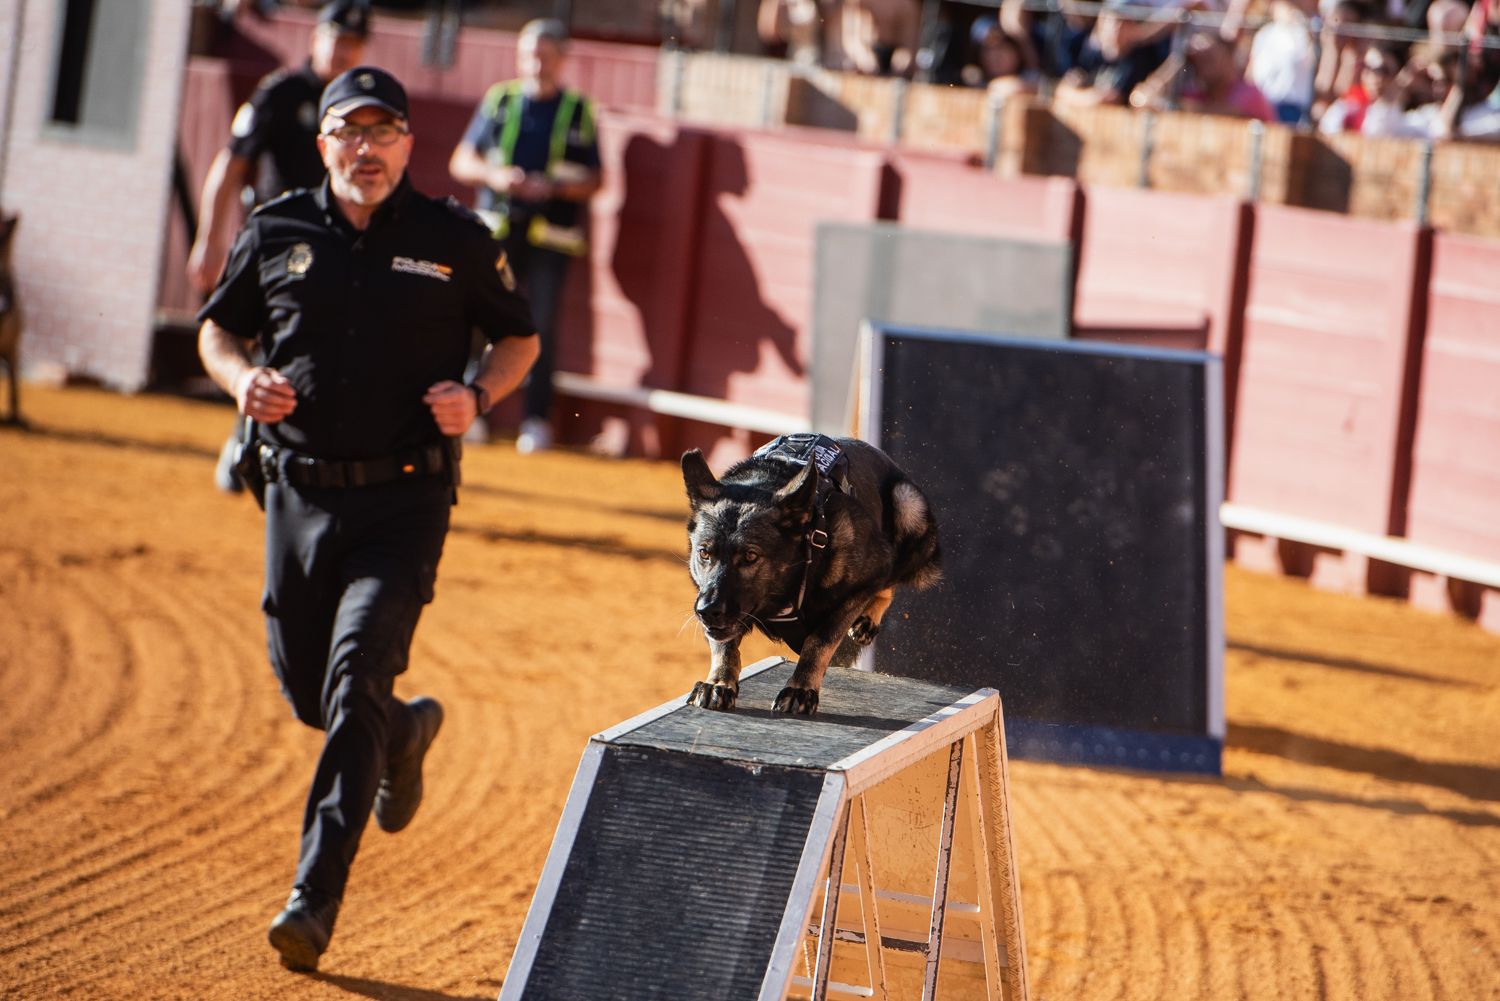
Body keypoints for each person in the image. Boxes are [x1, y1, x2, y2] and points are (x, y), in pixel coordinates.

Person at [195, 65, 540, 972]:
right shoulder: (276, 231)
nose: (367, 148)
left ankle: (316, 893)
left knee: (353, 681)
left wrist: (481, 395)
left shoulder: (455, 238)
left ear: (408, 146)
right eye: (351, 130)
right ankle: (407, 726)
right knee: (316, 696)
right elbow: (217, 330)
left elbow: (519, 336)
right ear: (324, 145)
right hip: (298, 498)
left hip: (405, 498)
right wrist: (241, 381)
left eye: (385, 132)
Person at [190, 0, 370, 492]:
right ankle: (244, 437)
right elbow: (231, 164)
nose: (341, 49)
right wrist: (209, 240)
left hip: (338, 248)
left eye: (352, 42)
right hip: (276, 242)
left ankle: (278, 445)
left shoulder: (361, 110)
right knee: (263, 338)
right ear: (315, 38)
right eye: (335, 37)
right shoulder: (280, 92)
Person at [449, 18, 602, 453]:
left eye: (545, 55)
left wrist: (550, 187)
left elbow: (595, 180)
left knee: (542, 327)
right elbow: (462, 161)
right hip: (498, 229)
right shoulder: (500, 100)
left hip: (552, 237)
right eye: (529, 55)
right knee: (480, 319)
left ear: (561, 59)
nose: (536, 63)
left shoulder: (578, 110)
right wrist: (500, 178)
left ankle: (536, 420)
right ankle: (472, 408)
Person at [1132, 29, 1277, 119]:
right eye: (1198, 60)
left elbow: (1220, 115)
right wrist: (1179, 59)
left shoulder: (1249, 94)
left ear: (1228, 57)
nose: (1204, 65)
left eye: (1211, 57)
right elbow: (1142, 100)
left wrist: (1174, 107)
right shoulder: (1195, 95)